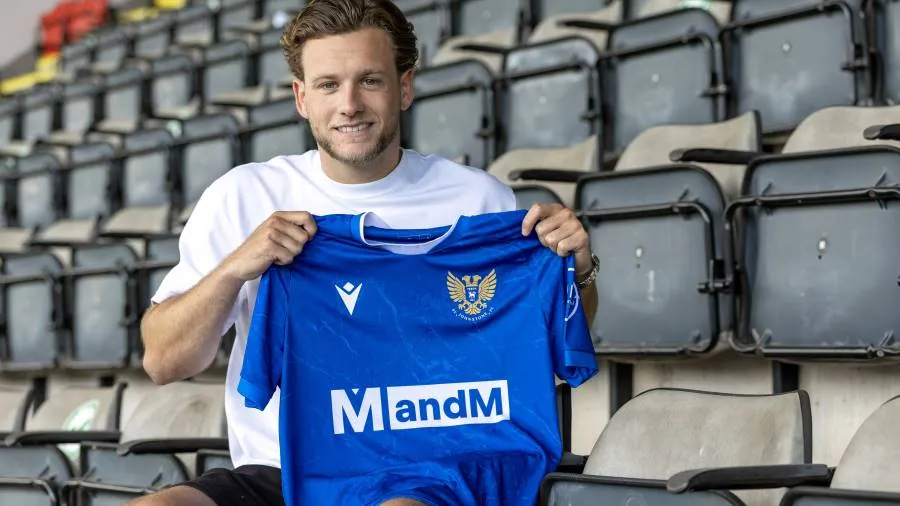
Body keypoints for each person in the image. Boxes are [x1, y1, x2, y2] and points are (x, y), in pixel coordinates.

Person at [131, 0, 599, 505]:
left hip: (428, 471)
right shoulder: (244, 196)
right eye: (329, 85)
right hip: (283, 471)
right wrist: (234, 270)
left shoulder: (479, 202)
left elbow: (549, 348)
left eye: (369, 81)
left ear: (404, 87)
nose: (349, 103)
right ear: (301, 97)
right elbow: (162, 361)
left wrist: (579, 270)